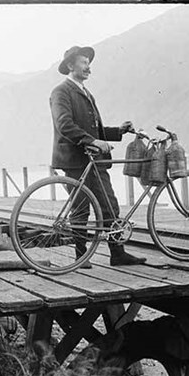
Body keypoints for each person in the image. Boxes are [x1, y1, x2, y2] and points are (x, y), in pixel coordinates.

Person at [49, 45, 146, 267]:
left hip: (94, 160)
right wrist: (93, 141)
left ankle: (117, 253)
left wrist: (118, 131)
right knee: (81, 209)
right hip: (75, 160)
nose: (88, 67)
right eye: (83, 62)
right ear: (71, 65)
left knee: (109, 206)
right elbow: (64, 124)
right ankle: (81, 257)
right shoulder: (61, 91)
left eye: (88, 62)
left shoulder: (85, 92)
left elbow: (95, 130)